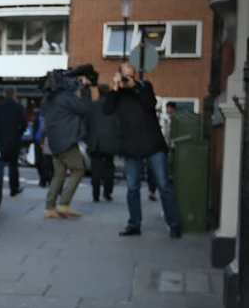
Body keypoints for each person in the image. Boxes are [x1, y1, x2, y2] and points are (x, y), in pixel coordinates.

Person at [103, 62, 182, 238]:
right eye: (124, 76)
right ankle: (134, 224)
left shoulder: (144, 87)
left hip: (153, 145)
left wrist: (134, 87)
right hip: (132, 148)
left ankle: (174, 223)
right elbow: (106, 109)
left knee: (164, 185)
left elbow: (150, 103)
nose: (127, 79)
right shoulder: (118, 94)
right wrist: (115, 88)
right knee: (132, 188)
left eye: (130, 76)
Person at [40, 64, 94, 219]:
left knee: (60, 173)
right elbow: (85, 109)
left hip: (55, 141)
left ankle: (49, 207)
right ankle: (64, 203)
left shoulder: (49, 99)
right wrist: (84, 90)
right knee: (78, 169)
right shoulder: (65, 98)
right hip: (66, 140)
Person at [85, 83, 120, 202]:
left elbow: (86, 124)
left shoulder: (92, 106)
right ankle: (108, 192)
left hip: (96, 141)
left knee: (96, 168)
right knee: (109, 167)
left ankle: (96, 193)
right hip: (110, 141)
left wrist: (87, 139)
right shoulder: (114, 106)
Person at [0, 88, 28, 196]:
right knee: (13, 166)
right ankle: (14, 189)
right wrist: (19, 133)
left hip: (0, 140)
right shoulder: (18, 107)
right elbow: (24, 124)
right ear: (14, 94)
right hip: (14, 140)